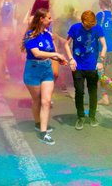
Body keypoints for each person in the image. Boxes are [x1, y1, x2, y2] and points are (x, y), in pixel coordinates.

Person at [21, 8, 67, 145]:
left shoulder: (48, 35)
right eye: (49, 18)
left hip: (46, 70)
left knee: (46, 101)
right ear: (41, 19)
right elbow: (36, 53)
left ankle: (43, 132)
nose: (51, 20)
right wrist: (56, 55)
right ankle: (37, 123)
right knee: (37, 100)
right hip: (33, 70)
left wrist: (59, 59)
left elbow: (52, 52)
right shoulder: (30, 35)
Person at [64, 10, 106, 129]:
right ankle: (80, 117)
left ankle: (92, 116)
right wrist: (71, 59)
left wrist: (101, 60)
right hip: (78, 66)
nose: (89, 28)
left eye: (91, 25)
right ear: (82, 22)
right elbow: (66, 44)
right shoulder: (75, 28)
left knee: (93, 92)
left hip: (92, 66)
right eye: (88, 25)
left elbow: (104, 45)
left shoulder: (97, 28)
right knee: (79, 91)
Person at [96, 0, 112, 105]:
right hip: (111, 47)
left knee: (100, 73)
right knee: (103, 73)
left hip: (101, 48)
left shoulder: (100, 15)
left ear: (101, 3)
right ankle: (104, 96)